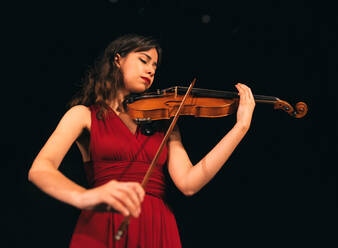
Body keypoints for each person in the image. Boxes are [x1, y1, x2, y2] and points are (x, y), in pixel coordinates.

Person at [28, 34, 255, 248]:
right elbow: (40, 169)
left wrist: (240, 127)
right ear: (118, 59)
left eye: (155, 66)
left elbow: (189, 183)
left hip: (158, 227)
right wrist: (84, 197)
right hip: (104, 223)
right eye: (144, 60)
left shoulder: (163, 123)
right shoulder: (83, 115)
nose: (150, 70)